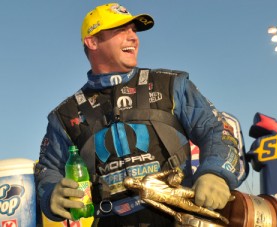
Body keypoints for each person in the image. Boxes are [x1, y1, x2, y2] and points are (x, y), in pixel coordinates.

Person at [35, 2, 246, 227]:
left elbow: (217, 131)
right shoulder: (65, 115)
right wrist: (51, 194)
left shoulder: (170, 85)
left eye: (134, 31)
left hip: (179, 218)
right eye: (121, 30)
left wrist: (215, 173)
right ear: (92, 41)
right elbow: (47, 169)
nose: (133, 37)